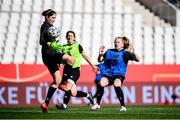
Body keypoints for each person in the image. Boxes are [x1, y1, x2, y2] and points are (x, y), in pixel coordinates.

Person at [90, 36, 140, 111]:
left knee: (117, 85)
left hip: (119, 74)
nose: (116, 43)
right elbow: (100, 60)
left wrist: (133, 52)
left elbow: (138, 59)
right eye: (115, 42)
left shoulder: (124, 53)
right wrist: (100, 55)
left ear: (123, 44)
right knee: (101, 83)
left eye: (118, 42)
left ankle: (123, 106)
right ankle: (97, 104)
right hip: (108, 74)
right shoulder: (109, 51)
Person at [39, 9, 75, 113]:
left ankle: (45, 103)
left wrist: (56, 46)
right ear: (47, 16)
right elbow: (41, 41)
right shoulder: (45, 26)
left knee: (56, 81)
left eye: (55, 18)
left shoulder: (50, 27)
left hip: (48, 56)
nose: (54, 20)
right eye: (53, 17)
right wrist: (51, 44)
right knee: (71, 59)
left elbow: (49, 41)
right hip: (49, 54)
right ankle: (64, 83)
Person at [56, 31, 98, 109]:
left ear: (74, 37)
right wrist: (61, 63)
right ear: (66, 37)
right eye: (68, 36)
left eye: (71, 36)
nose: (69, 37)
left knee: (67, 86)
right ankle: (88, 95)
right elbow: (63, 59)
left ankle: (64, 105)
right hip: (67, 70)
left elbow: (85, 56)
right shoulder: (63, 47)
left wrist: (92, 65)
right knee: (73, 93)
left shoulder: (78, 46)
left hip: (75, 70)